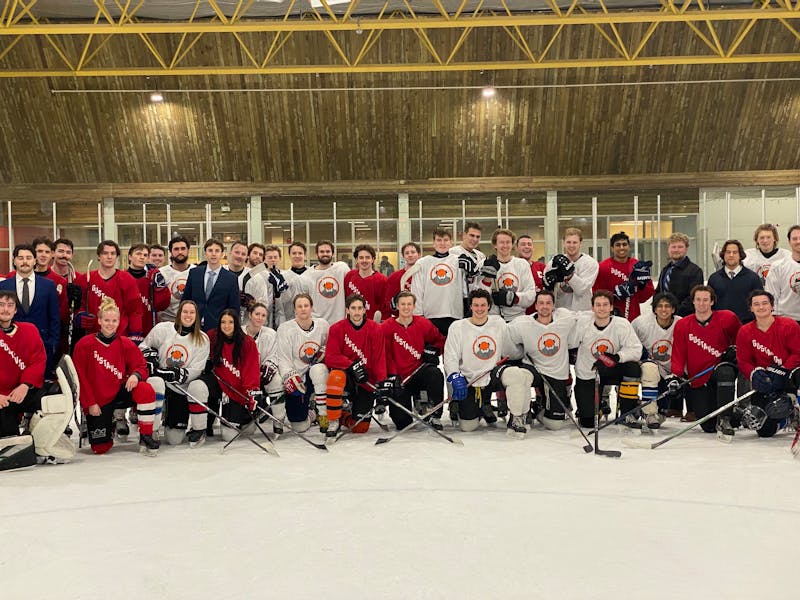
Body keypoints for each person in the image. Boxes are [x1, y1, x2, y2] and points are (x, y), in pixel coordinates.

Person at [73, 298, 159, 456]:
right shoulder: (84, 345)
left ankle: (146, 435)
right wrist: (90, 403)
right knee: (100, 448)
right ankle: (109, 423)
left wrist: (135, 375)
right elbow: (80, 378)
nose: (110, 324)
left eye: (114, 320)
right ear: (99, 320)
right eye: (106, 320)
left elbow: (141, 366)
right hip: (98, 400)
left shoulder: (125, 343)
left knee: (145, 389)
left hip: (119, 391)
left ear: (119, 322)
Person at [443, 289, 533, 437]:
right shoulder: (458, 327)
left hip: (492, 375)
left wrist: (525, 351)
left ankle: (517, 417)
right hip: (470, 379)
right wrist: (454, 376)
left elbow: (509, 349)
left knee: (516, 374)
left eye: (483, 305)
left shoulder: (497, 322)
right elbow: (450, 357)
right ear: (470, 307)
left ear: (489, 306)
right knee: (468, 427)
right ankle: (476, 407)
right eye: (476, 305)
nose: (479, 309)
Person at [670, 285, 741, 438]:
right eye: (698, 300)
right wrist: (675, 376)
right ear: (693, 302)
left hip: (719, 369)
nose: (702, 303)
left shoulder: (726, 318)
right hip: (699, 378)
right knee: (709, 426)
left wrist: (734, 351)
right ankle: (737, 415)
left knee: (726, 371)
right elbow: (678, 353)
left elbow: (742, 339)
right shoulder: (683, 325)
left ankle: (725, 419)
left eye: (705, 300)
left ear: (712, 302)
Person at [139, 299, 210, 447]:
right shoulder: (162, 329)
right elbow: (143, 347)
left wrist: (175, 374)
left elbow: (196, 370)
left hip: (179, 389)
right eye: (185, 312)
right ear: (179, 313)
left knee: (174, 440)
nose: (188, 315)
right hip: (160, 384)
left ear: (197, 316)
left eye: (192, 312)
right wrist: (151, 357)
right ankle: (152, 430)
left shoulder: (202, 339)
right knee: (155, 383)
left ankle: (190, 426)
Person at [507, 289, 579, 430]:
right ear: (535, 306)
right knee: (521, 377)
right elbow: (507, 337)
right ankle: (521, 413)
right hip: (533, 368)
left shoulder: (565, 320)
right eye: (541, 303)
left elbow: (584, 317)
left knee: (555, 424)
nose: (544, 306)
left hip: (556, 374)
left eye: (548, 303)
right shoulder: (523, 323)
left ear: (553, 306)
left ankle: (540, 408)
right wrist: (519, 352)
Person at [572, 290, 644, 428]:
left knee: (632, 368)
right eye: (598, 305)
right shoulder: (583, 323)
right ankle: (597, 408)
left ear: (611, 307)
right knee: (587, 422)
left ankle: (627, 411)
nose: (602, 308)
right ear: (592, 307)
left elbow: (636, 350)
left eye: (605, 305)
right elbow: (570, 342)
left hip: (612, 367)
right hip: (589, 372)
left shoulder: (621, 324)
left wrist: (617, 357)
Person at [191, 309, 262, 446]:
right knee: (198, 386)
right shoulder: (212, 336)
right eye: (223, 322)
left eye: (230, 322)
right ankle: (199, 429)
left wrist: (252, 391)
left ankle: (248, 419)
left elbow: (251, 369)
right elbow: (197, 346)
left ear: (236, 323)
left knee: (228, 436)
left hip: (236, 389)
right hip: (218, 381)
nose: (227, 326)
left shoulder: (247, 342)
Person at [735, 290, 800, 438]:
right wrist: (754, 374)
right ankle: (787, 418)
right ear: (751, 308)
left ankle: (795, 404)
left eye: (765, 303)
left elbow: (797, 353)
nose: (761, 307)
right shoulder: (745, 331)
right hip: (766, 380)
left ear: (772, 306)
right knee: (765, 431)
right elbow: (743, 360)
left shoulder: (789, 325)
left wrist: (783, 370)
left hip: (788, 375)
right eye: (756, 304)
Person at [381, 291, 446, 430]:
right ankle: (413, 403)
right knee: (402, 423)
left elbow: (440, 341)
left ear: (414, 306)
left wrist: (434, 349)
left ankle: (434, 413)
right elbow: (383, 354)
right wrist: (392, 376)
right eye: (403, 304)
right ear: (397, 306)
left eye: (409, 304)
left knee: (435, 373)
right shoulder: (386, 327)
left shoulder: (423, 323)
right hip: (399, 379)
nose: (406, 307)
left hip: (419, 372)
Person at [323, 294, 387, 436]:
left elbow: (379, 358)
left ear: (365, 310)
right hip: (347, 377)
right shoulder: (336, 328)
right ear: (347, 310)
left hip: (366, 380)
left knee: (360, 428)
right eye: (353, 308)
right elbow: (330, 357)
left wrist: (381, 383)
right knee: (335, 376)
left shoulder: (375, 329)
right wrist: (351, 365)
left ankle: (344, 416)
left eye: (360, 308)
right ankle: (333, 421)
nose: (357, 312)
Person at [0, 244, 60, 376]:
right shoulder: (3, 286)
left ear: (35, 260)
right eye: (20, 258)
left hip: (42, 346)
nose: (25, 261)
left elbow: (55, 318)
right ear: (14, 261)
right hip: (10, 347)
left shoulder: (48, 286)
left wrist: (53, 343)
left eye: (28, 257)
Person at [275, 293, 330, 433]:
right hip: (297, 380)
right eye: (299, 306)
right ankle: (312, 413)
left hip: (314, 376)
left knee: (319, 370)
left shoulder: (323, 325)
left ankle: (323, 413)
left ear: (311, 307)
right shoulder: (285, 329)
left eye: (306, 305)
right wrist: (291, 377)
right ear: (294, 309)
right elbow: (283, 359)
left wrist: (323, 353)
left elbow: (329, 347)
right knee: (299, 426)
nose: (303, 309)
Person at [0, 290, 48, 449]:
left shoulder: (29, 330)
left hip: (20, 390)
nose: (5, 309)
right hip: (1, 396)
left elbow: (38, 360)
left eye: (10, 305)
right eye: (1, 305)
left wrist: (25, 385)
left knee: (51, 396)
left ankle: (38, 435)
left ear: (15, 310)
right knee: (9, 443)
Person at [412, 227, 477, 336]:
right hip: (430, 315)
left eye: (446, 240)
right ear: (433, 243)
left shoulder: (459, 260)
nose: (442, 243)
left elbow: (467, 287)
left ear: (451, 243)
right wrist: (418, 315)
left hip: (454, 314)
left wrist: (471, 272)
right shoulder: (423, 263)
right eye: (439, 240)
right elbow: (417, 290)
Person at [77, 240, 144, 340]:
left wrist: (135, 335)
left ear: (117, 257)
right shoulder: (86, 278)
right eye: (105, 253)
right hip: (92, 336)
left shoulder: (127, 279)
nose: (109, 257)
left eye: (113, 253)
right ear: (99, 256)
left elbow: (135, 310)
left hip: (120, 336)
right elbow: (80, 305)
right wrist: (80, 315)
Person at [632, 292, 681, 424]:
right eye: (660, 306)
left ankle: (657, 409)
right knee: (650, 370)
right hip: (650, 366)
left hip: (671, 370)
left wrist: (677, 372)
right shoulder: (640, 323)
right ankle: (649, 413)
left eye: (667, 306)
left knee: (663, 413)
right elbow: (631, 345)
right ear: (654, 309)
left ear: (673, 309)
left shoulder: (681, 323)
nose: (664, 309)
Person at [476, 228, 537, 322]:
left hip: (517, 319)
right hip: (492, 319)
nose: (505, 245)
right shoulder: (484, 264)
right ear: (495, 245)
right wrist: (487, 279)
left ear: (512, 244)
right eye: (501, 242)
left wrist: (513, 298)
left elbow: (531, 295)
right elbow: (477, 296)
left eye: (508, 242)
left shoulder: (522, 264)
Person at [181, 238, 240, 331]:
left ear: (222, 254)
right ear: (205, 253)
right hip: (193, 325)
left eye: (217, 251)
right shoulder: (194, 273)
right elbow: (185, 300)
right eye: (210, 250)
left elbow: (234, 308)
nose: (213, 254)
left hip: (218, 328)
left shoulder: (231, 278)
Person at [593, 231, 654, 322]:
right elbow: (596, 294)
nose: (621, 247)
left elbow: (644, 297)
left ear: (629, 247)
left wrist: (642, 286)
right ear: (612, 248)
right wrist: (614, 295)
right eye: (618, 245)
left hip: (634, 317)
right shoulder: (603, 267)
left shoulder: (638, 266)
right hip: (609, 318)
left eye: (624, 244)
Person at [243, 302, 283, 433]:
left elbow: (274, 355)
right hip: (243, 377)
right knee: (247, 431)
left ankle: (279, 420)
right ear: (250, 315)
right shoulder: (239, 332)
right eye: (257, 314)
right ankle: (252, 414)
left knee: (276, 380)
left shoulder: (270, 334)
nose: (260, 318)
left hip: (261, 375)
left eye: (263, 315)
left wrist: (268, 367)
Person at [708, 240, 763, 324]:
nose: (731, 255)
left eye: (735, 252)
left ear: (740, 255)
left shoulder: (753, 278)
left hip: (746, 326)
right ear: (723, 255)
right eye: (728, 252)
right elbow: (709, 305)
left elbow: (759, 304)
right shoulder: (714, 279)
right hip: (720, 327)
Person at [545, 227, 599, 312]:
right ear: (563, 243)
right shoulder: (554, 262)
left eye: (575, 242)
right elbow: (546, 285)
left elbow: (581, 289)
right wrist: (548, 284)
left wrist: (569, 274)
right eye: (568, 242)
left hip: (582, 313)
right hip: (560, 311)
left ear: (580, 243)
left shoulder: (590, 263)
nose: (571, 245)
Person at [300, 240, 350, 325]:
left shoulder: (342, 269)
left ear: (333, 254)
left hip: (339, 322)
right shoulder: (306, 276)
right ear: (317, 254)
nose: (325, 254)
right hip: (317, 323)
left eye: (328, 251)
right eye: (322, 252)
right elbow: (303, 302)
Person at [655, 233, 704, 317]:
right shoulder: (665, 270)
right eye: (673, 247)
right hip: (664, 317)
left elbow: (693, 297)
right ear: (668, 249)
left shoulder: (695, 271)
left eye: (680, 247)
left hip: (684, 317)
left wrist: (674, 312)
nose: (676, 250)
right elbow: (659, 292)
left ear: (686, 249)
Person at [127, 243, 170, 335]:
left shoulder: (152, 277)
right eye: (138, 254)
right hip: (126, 327)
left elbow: (162, 305)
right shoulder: (122, 277)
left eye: (145, 255)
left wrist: (160, 287)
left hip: (148, 327)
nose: (142, 257)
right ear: (130, 257)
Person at [344, 244, 389, 321]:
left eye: (367, 257)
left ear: (373, 259)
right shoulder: (349, 276)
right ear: (356, 259)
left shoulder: (382, 280)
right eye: (361, 258)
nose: (364, 260)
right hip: (352, 323)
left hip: (372, 324)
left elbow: (384, 307)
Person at [765, 225, 800, 323]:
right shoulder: (778, 267)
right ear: (789, 242)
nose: (798, 241)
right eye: (794, 239)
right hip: (786, 320)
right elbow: (771, 296)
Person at [450, 221, 485, 316]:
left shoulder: (481, 256)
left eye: (478, 237)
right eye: (472, 235)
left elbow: (481, 281)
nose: (475, 239)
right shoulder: (453, 253)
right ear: (464, 235)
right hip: (458, 300)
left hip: (476, 301)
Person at [31, 236, 69, 324]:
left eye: (47, 252)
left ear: (52, 254)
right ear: (33, 252)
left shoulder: (61, 281)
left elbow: (62, 314)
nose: (43, 255)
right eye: (40, 251)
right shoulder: (20, 278)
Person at [158, 235, 193, 323]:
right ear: (171, 251)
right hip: (166, 322)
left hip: (190, 322)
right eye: (176, 249)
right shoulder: (161, 273)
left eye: (183, 248)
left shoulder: (196, 271)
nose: (180, 252)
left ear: (188, 250)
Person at [386, 242, 420, 317]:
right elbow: (388, 301)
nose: (410, 255)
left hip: (422, 316)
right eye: (407, 253)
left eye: (413, 252)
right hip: (401, 318)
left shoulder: (425, 275)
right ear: (403, 256)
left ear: (419, 255)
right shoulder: (395, 277)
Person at [277, 241, 309, 323]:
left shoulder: (312, 274)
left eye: (300, 253)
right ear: (289, 255)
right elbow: (280, 303)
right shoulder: (283, 277)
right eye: (294, 253)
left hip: (310, 320)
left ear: (305, 255)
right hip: (290, 320)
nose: (297, 256)